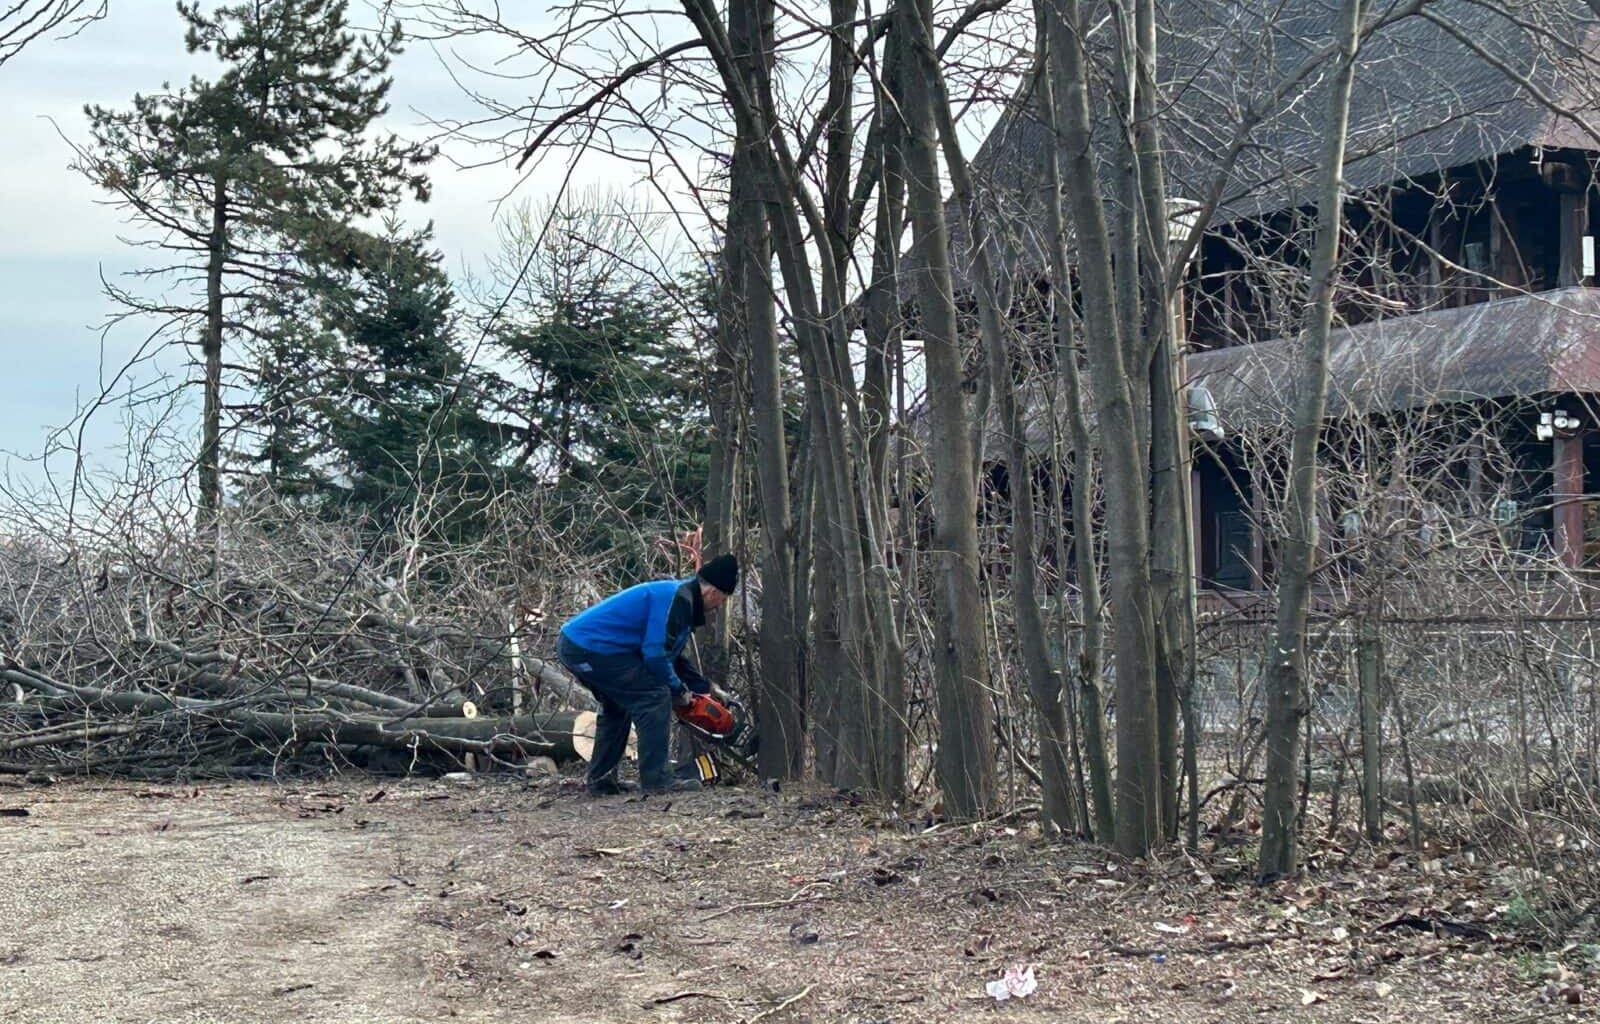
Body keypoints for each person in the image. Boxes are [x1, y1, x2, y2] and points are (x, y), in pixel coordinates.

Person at [556, 553, 738, 796]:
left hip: (579, 646)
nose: (719, 606)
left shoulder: (680, 597)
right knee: (654, 697)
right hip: (591, 649)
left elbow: (672, 656)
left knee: (618, 707)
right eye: (723, 599)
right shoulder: (677, 600)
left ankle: (601, 781)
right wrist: (679, 691)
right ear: (713, 592)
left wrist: (705, 687)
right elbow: (655, 654)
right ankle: (658, 780)